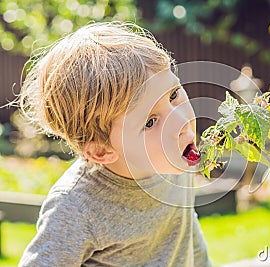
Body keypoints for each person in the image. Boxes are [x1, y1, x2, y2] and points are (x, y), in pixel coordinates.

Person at [17, 21, 212, 267]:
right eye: (150, 122)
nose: (182, 122)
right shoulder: (76, 207)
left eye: (174, 95)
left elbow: (185, 233)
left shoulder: (172, 165)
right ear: (101, 150)